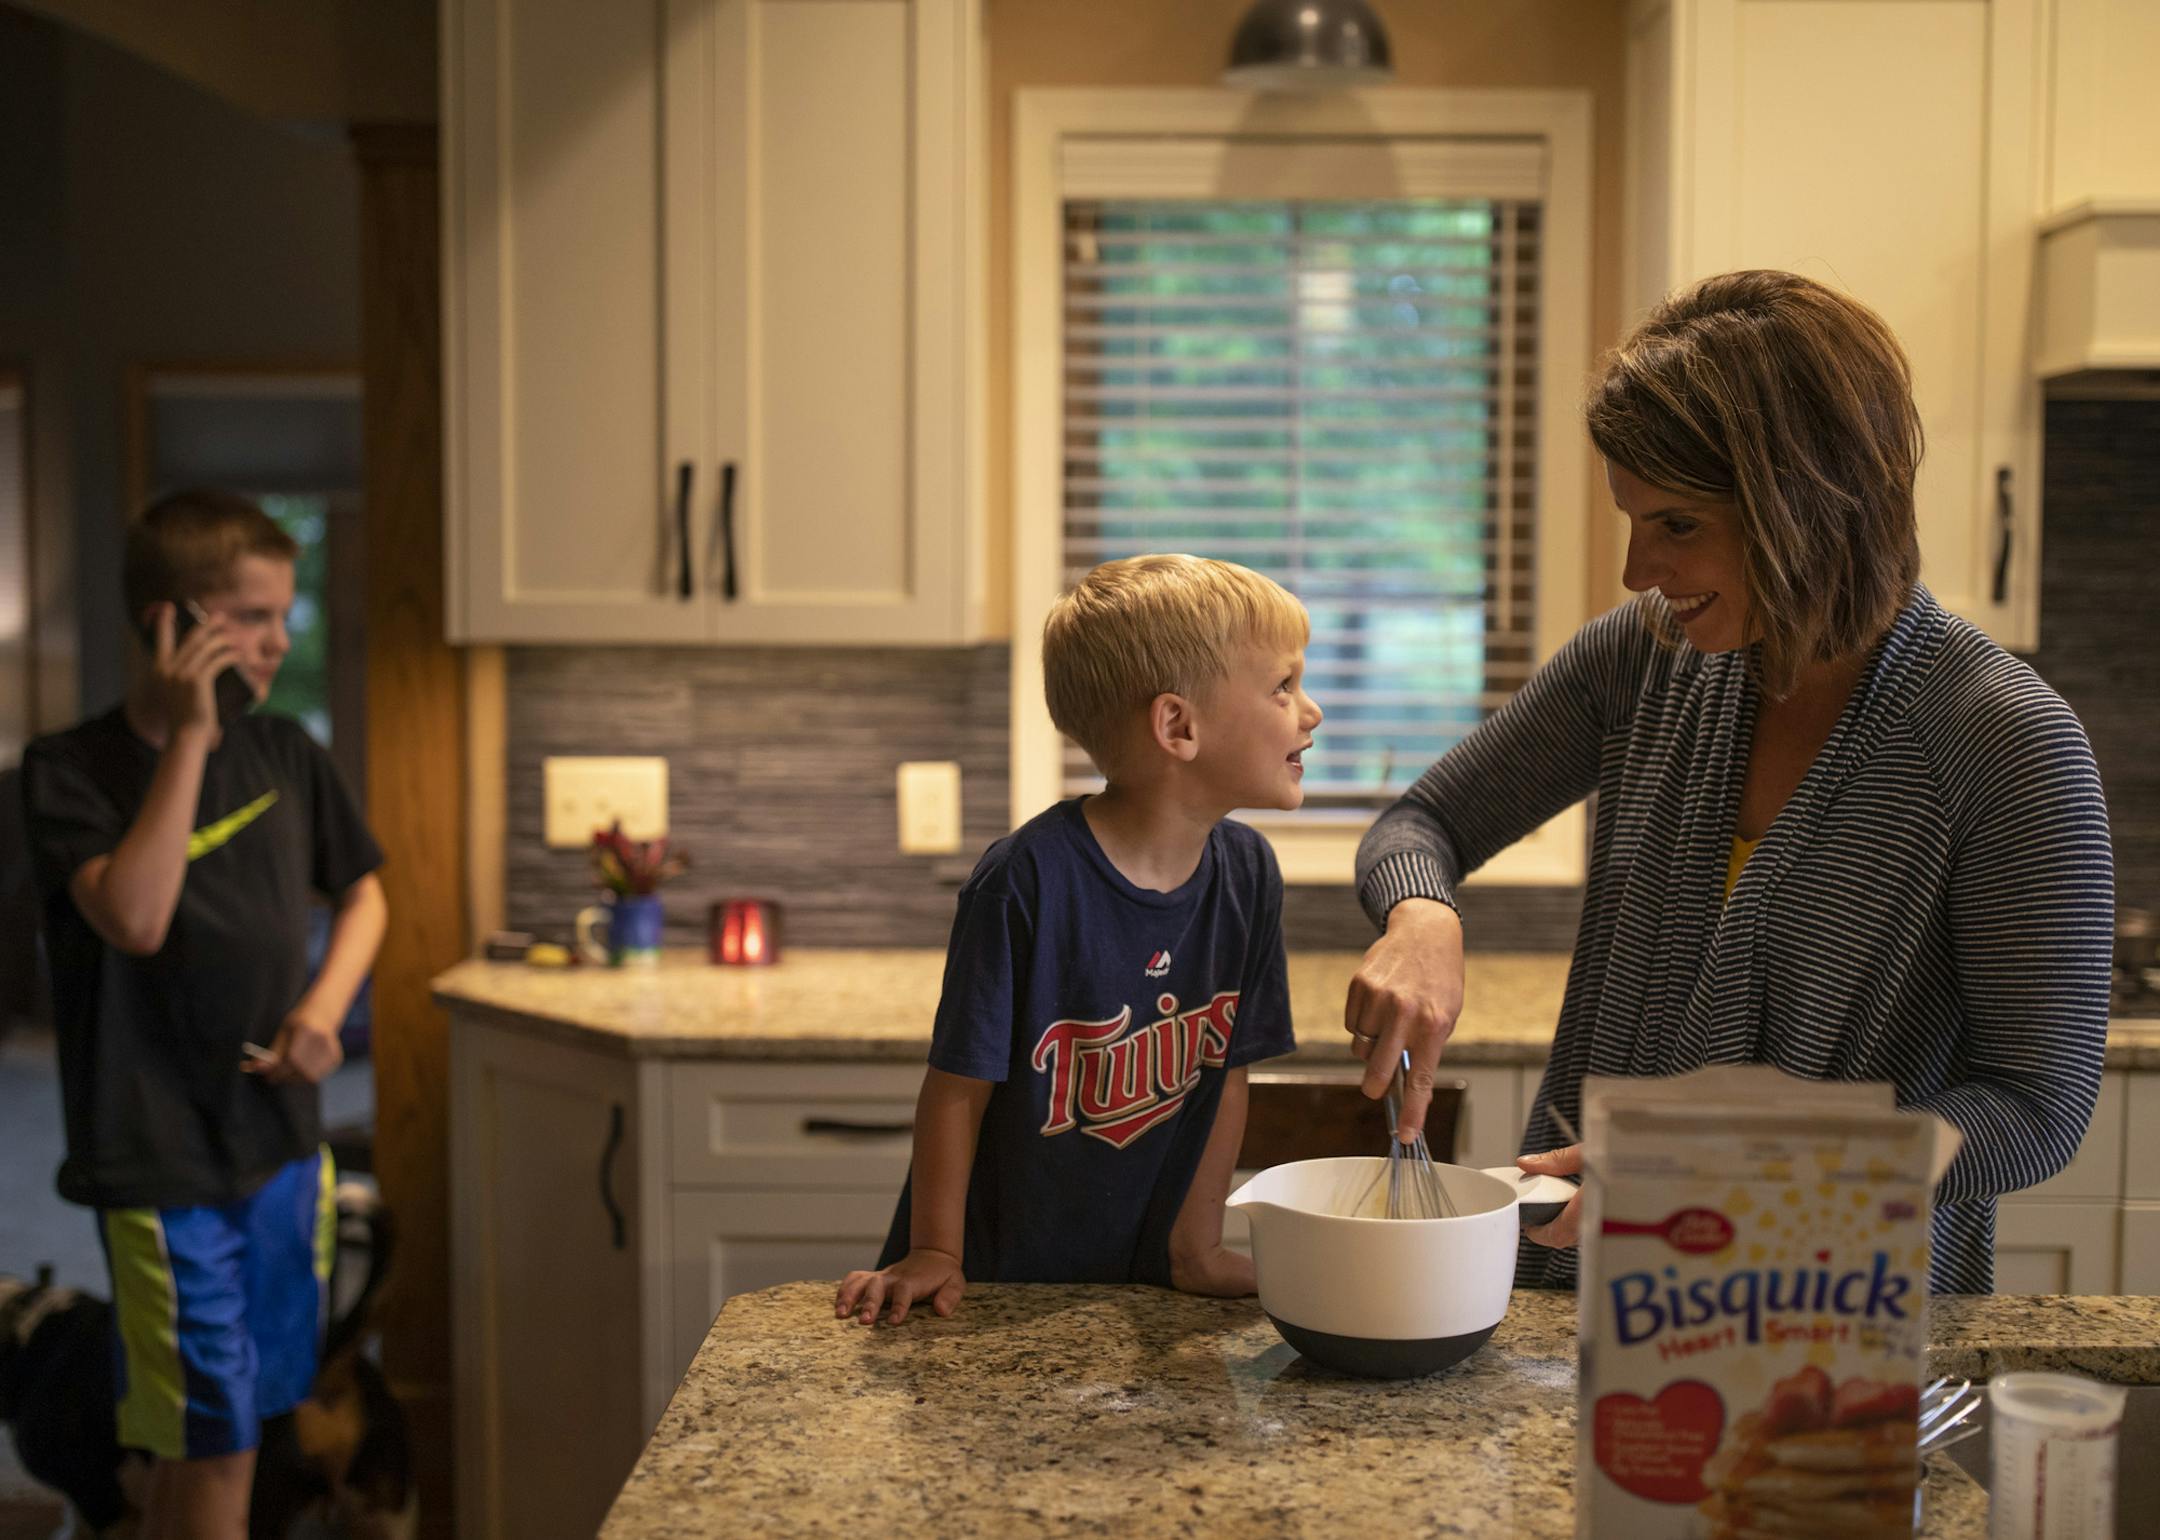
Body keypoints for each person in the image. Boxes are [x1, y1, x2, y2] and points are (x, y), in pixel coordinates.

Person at [1342, 270, 2112, 1295]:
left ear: (1806, 505)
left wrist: (1738, 1176)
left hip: (1829, 1319)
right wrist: (1420, 915)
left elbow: (2036, 1107)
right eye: (1632, 520)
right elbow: (1423, 820)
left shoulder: (2003, 742)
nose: (1634, 572)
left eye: (1676, 526)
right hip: (1576, 1292)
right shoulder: (1645, 659)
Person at [20, 489, 387, 1538]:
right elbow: (133, 915)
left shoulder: (288, 757)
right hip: (159, 1161)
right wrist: (189, 736)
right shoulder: (67, 770)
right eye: (255, 616)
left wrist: (324, 1007)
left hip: (278, 1149)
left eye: (285, 613)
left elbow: (366, 891)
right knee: (216, 1439)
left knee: (221, 1434)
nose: (282, 639)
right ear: (172, 625)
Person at [836, 554, 1322, 1325]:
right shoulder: (1026, 880)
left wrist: (1196, 1249)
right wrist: (936, 1252)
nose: (1311, 711)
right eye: (1283, 686)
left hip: (1143, 1284)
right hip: (996, 1287)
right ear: (1178, 726)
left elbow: (1227, 1072)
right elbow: (958, 1086)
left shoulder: (1249, 875)